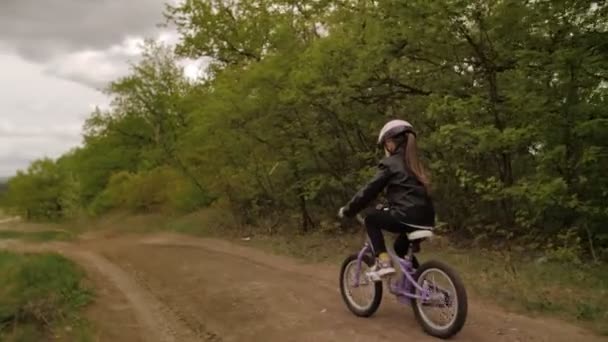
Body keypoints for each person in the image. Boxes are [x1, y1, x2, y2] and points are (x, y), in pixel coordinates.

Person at [338, 119, 435, 280]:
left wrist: (349, 209)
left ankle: (384, 262)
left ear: (390, 143)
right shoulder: (416, 165)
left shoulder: (390, 163)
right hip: (427, 219)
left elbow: (369, 190)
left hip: (405, 216)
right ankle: (423, 287)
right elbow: (410, 195)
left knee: (371, 219)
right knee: (400, 248)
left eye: (385, 144)